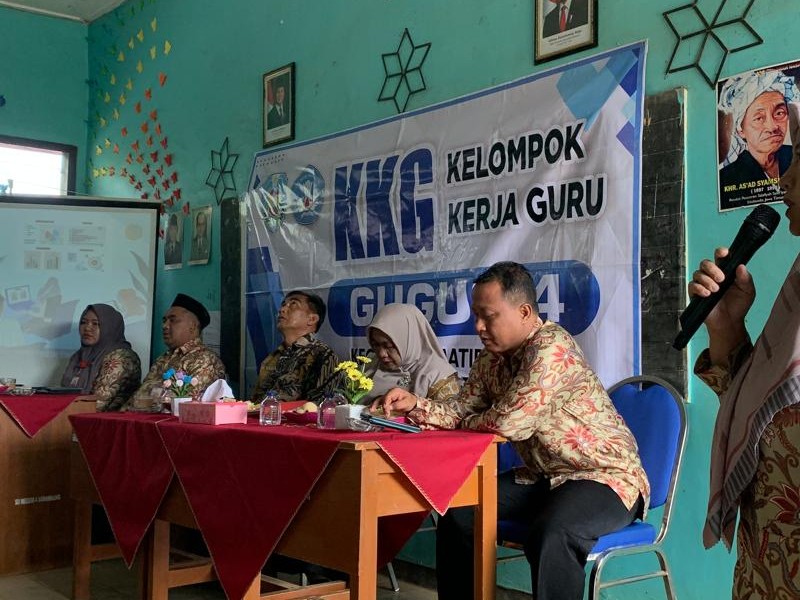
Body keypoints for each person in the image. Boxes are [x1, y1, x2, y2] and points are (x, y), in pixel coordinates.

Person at [373, 261, 649, 600]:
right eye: (476, 316)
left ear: (524, 312)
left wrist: (471, 421)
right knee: (458, 512)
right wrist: (416, 404)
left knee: (553, 532)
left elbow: (509, 423)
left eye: (489, 317)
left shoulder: (551, 348)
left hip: (604, 477)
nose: (479, 326)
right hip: (544, 478)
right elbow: (461, 410)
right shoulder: (490, 360)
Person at [690, 101, 800, 599]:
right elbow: (758, 408)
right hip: (763, 574)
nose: (785, 180)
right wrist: (725, 325)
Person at [129, 293, 225, 412]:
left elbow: (182, 404)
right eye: (164, 321)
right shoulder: (163, 358)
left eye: (173, 320)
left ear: (192, 326)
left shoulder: (205, 360)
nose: (165, 326)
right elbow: (136, 398)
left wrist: (145, 401)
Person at [718, 71, 799, 202]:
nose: (772, 127)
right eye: (759, 118)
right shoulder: (726, 178)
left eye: (779, 113)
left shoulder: (796, 157)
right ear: (740, 130)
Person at [249, 290, 338, 403]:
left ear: (312, 319)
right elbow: (256, 400)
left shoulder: (322, 354)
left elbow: (321, 404)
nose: (282, 310)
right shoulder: (273, 357)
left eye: (293, 304)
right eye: (283, 305)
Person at [364, 303, 461, 404]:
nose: (381, 354)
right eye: (375, 345)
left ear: (408, 340)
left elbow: (452, 412)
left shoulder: (437, 376)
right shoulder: (371, 366)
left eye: (389, 346)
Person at [60, 304, 141, 412]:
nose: (87, 328)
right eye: (83, 322)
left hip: (107, 420)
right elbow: (62, 394)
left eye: (96, 324)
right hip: (73, 416)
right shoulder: (78, 356)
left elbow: (98, 403)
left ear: (110, 327)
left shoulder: (121, 358)